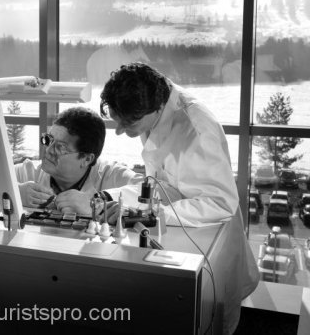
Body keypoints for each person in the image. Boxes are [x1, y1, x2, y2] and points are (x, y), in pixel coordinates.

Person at [99, 62, 258, 334]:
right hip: (182, 230)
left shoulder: (196, 127)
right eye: (117, 119)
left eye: (128, 123)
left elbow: (220, 203)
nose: (119, 131)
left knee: (211, 321)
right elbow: (163, 183)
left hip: (210, 234)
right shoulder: (152, 104)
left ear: (156, 108)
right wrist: (115, 199)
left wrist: (153, 214)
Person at [15, 107, 144, 222]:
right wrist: (15, 192)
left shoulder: (109, 174)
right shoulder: (30, 171)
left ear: (87, 159)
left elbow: (148, 191)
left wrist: (95, 203)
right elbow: (0, 178)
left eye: (60, 147)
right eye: (49, 140)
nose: (48, 150)